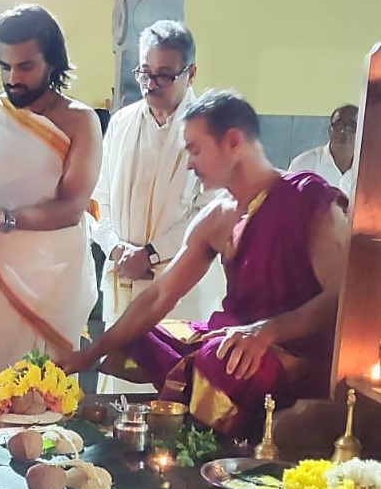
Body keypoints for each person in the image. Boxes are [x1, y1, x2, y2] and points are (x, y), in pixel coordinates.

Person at [58, 91, 349, 439]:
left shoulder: (309, 199)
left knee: (217, 361)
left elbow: (342, 297)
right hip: (236, 337)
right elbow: (158, 297)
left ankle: (204, 434)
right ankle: (192, 405)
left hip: (292, 353)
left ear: (233, 142)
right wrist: (91, 354)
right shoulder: (217, 216)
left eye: (195, 150)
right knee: (138, 337)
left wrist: (267, 331)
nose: (189, 164)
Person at [0, 3, 102, 395]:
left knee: (41, 398)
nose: (13, 78)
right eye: (5, 66)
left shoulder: (80, 121)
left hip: (52, 277)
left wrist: (7, 219)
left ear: (52, 61)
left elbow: (72, 207)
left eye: (26, 66)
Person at [92, 20, 225, 394]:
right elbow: (97, 199)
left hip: (178, 286)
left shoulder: (210, 129)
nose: (150, 84)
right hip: (122, 277)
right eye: (144, 73)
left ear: (191, 73)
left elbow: (210, 211)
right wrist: (115, 247)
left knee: (173, 394)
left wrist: (150, 253)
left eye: (164, 75)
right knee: (119, 396)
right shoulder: (122, 122)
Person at [288, 104, 357, 196]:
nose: (343, 132)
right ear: (330, 131)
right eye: (338, 125)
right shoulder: (302, 165)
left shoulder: (370, 172)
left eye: (352, 126)